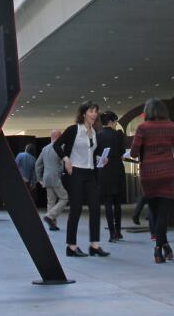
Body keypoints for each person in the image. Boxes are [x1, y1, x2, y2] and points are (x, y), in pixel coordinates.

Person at [53, 102, 110, 257]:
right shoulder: (74, 130)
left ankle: (95, 245)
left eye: (96, 112)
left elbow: (93, 152)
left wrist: (101, 158)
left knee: (96, 208)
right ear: (84, 113)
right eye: (91, 111)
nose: (94, 114)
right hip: (75, 173)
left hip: (91, 173)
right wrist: (66, 159)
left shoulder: (95, 131)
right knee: (76, 209)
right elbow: (57, 146)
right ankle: (71, 247)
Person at [131, 98, 174, 264]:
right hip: (168, 172)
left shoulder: (142, 128)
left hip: (149, 174)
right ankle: (161, 248)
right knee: (163, 214)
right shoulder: (172, 127)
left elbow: (133, 152)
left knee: (155, 212)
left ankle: (161, 248)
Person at [96, 111, 127, 242]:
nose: (115, 124)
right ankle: (118, 231)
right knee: (117, 203)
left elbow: (95, 153)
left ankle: (111, 234)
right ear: (111, 122)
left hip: (104, 171)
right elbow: (122, 152)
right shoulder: (118, 135)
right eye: (115, 122)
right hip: (117, 170)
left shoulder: (98, 136)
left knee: (108, 203)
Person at [36, 129, 68, 231]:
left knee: (51, 201)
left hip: (46, 178)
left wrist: (40, 179)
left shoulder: (45, 148)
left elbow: (38, 164)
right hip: (55, 177)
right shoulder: (61, 148)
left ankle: (52, 224)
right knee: (64, 198)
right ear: (59, 137)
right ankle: (49, 216)